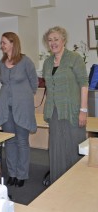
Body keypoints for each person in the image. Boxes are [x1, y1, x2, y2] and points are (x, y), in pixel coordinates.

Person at [42, 26, 88, 183]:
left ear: (63, 40)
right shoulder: (48, 63)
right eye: (50, 40)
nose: (53, 43)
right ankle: (57, 181)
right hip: (54, 112)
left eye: (56, 39)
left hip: (72, 111)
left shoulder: (74, 58)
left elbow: (84, 84)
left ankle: (76, 183)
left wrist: (83, 110)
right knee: (56, 148)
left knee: (73, 145)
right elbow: (49, 86)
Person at [0, 32, 38, 188]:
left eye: (4, 42)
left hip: (22, 107)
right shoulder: (1, 64)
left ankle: (22, 174)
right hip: (5, 108)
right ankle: (12, 173)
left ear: (13, 44)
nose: (2, 45)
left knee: (22, 141)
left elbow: (34, 84)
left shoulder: (26, 61)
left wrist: (23, 97)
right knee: (10, 141)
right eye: (1, 43)